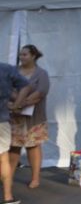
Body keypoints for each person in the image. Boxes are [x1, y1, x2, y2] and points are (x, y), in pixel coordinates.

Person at [7, 45, 49, 190]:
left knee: (33, 146)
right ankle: (8, 177)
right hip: (15, 116)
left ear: (33, 56)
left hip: (34, 117)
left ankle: (35, 178)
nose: (21, 57)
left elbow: (41, 91)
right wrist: (18, 103)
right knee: (13, 147)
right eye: (20, 54)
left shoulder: (41, 73)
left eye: (24, 54)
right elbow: (7, 88)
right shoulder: (13, 71)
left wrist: (22, 103)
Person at [0, 60, 30, 204]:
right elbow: (25, 85)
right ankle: (7, 197)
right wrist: (17, 104)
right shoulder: (5, 68)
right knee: (3, 158)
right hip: (1, 119)